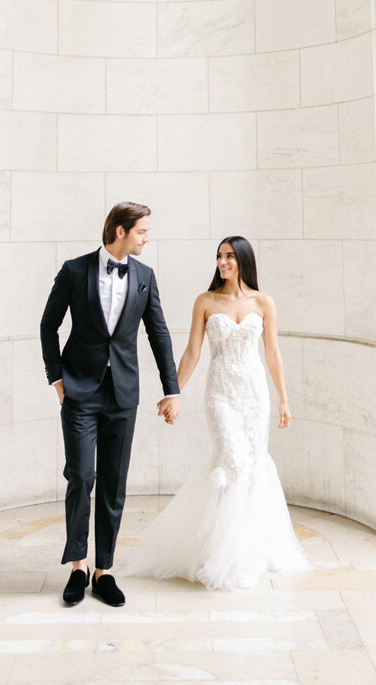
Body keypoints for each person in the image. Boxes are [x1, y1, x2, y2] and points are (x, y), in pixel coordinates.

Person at [124, 235, 309, 590]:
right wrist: (172, 391)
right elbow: (193, 351)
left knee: (253, 466)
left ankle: (245, 551)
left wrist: (284, 399)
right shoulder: (205, 302)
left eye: (229, 257)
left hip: (254, 396)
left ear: (243, 260)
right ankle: (222, 555)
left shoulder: (264, 302)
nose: (222, 262)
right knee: (233, 460)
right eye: (219, 256)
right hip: (221, 393)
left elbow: (272, 353)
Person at [40, 202, 180, 607]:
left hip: (123, 394)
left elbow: (159, 334)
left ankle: (104, 571)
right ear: (120, 231)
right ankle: (77, 566)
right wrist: (56, 378)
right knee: (82, 476)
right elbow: (49, 324)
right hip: (79, 392)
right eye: (142, 232)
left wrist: (171, 389)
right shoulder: (74, 270)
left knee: (114, 484)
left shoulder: (145, 277)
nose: (147, 238)